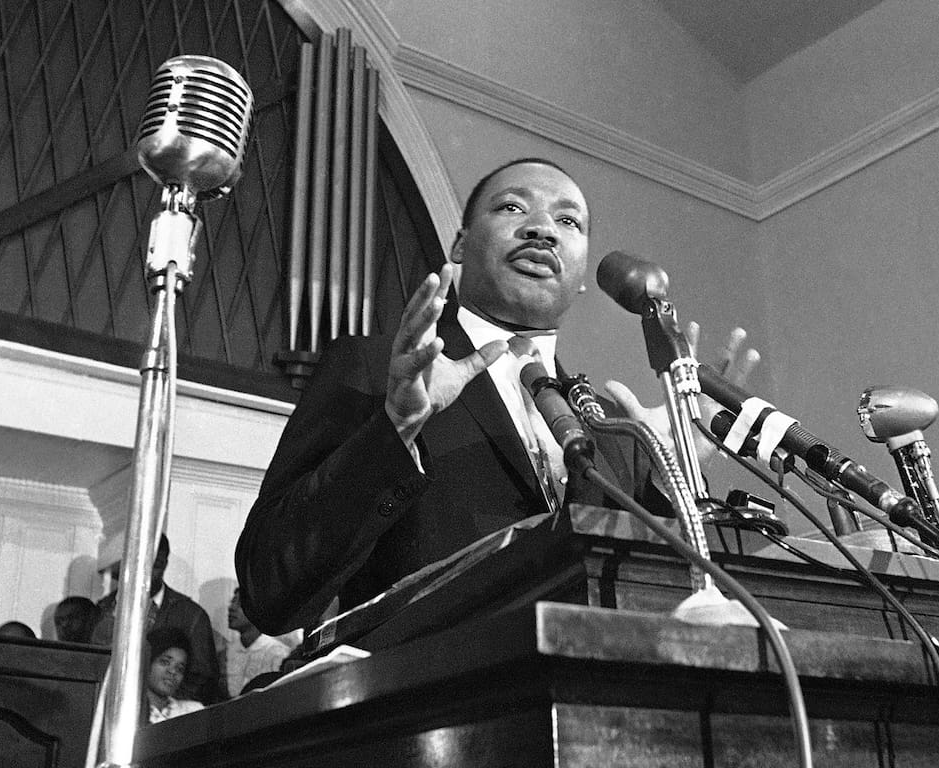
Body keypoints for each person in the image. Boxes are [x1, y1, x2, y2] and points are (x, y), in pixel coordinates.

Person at [237, 158, 757, 634]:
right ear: (460, 245)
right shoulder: (376, 371)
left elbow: (664, 605)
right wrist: (395, 429)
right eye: (512, 207)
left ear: (581, 278)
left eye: (568, 221)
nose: (542, 229)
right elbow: (270, 591)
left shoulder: (615, 434)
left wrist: (677, 476)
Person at [91, 534, 223, 704]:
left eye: (156, 565)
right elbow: (90, 665)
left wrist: (160, 705)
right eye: (141, 563)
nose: (147, 572)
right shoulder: (104, 609)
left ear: (164, 563)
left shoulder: (191, 615)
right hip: (108, 709)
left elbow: (203, 680)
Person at [224, 586, 291, 697]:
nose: (231, 608)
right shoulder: (226, 652)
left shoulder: (278, 653)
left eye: (240, 604)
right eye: (232, 602)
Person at [144, 626, 205, 723]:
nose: (172, 671)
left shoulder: (193, 712)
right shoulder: (128, 711)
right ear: (147, 663)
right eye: (165, 662)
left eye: (179, 669)